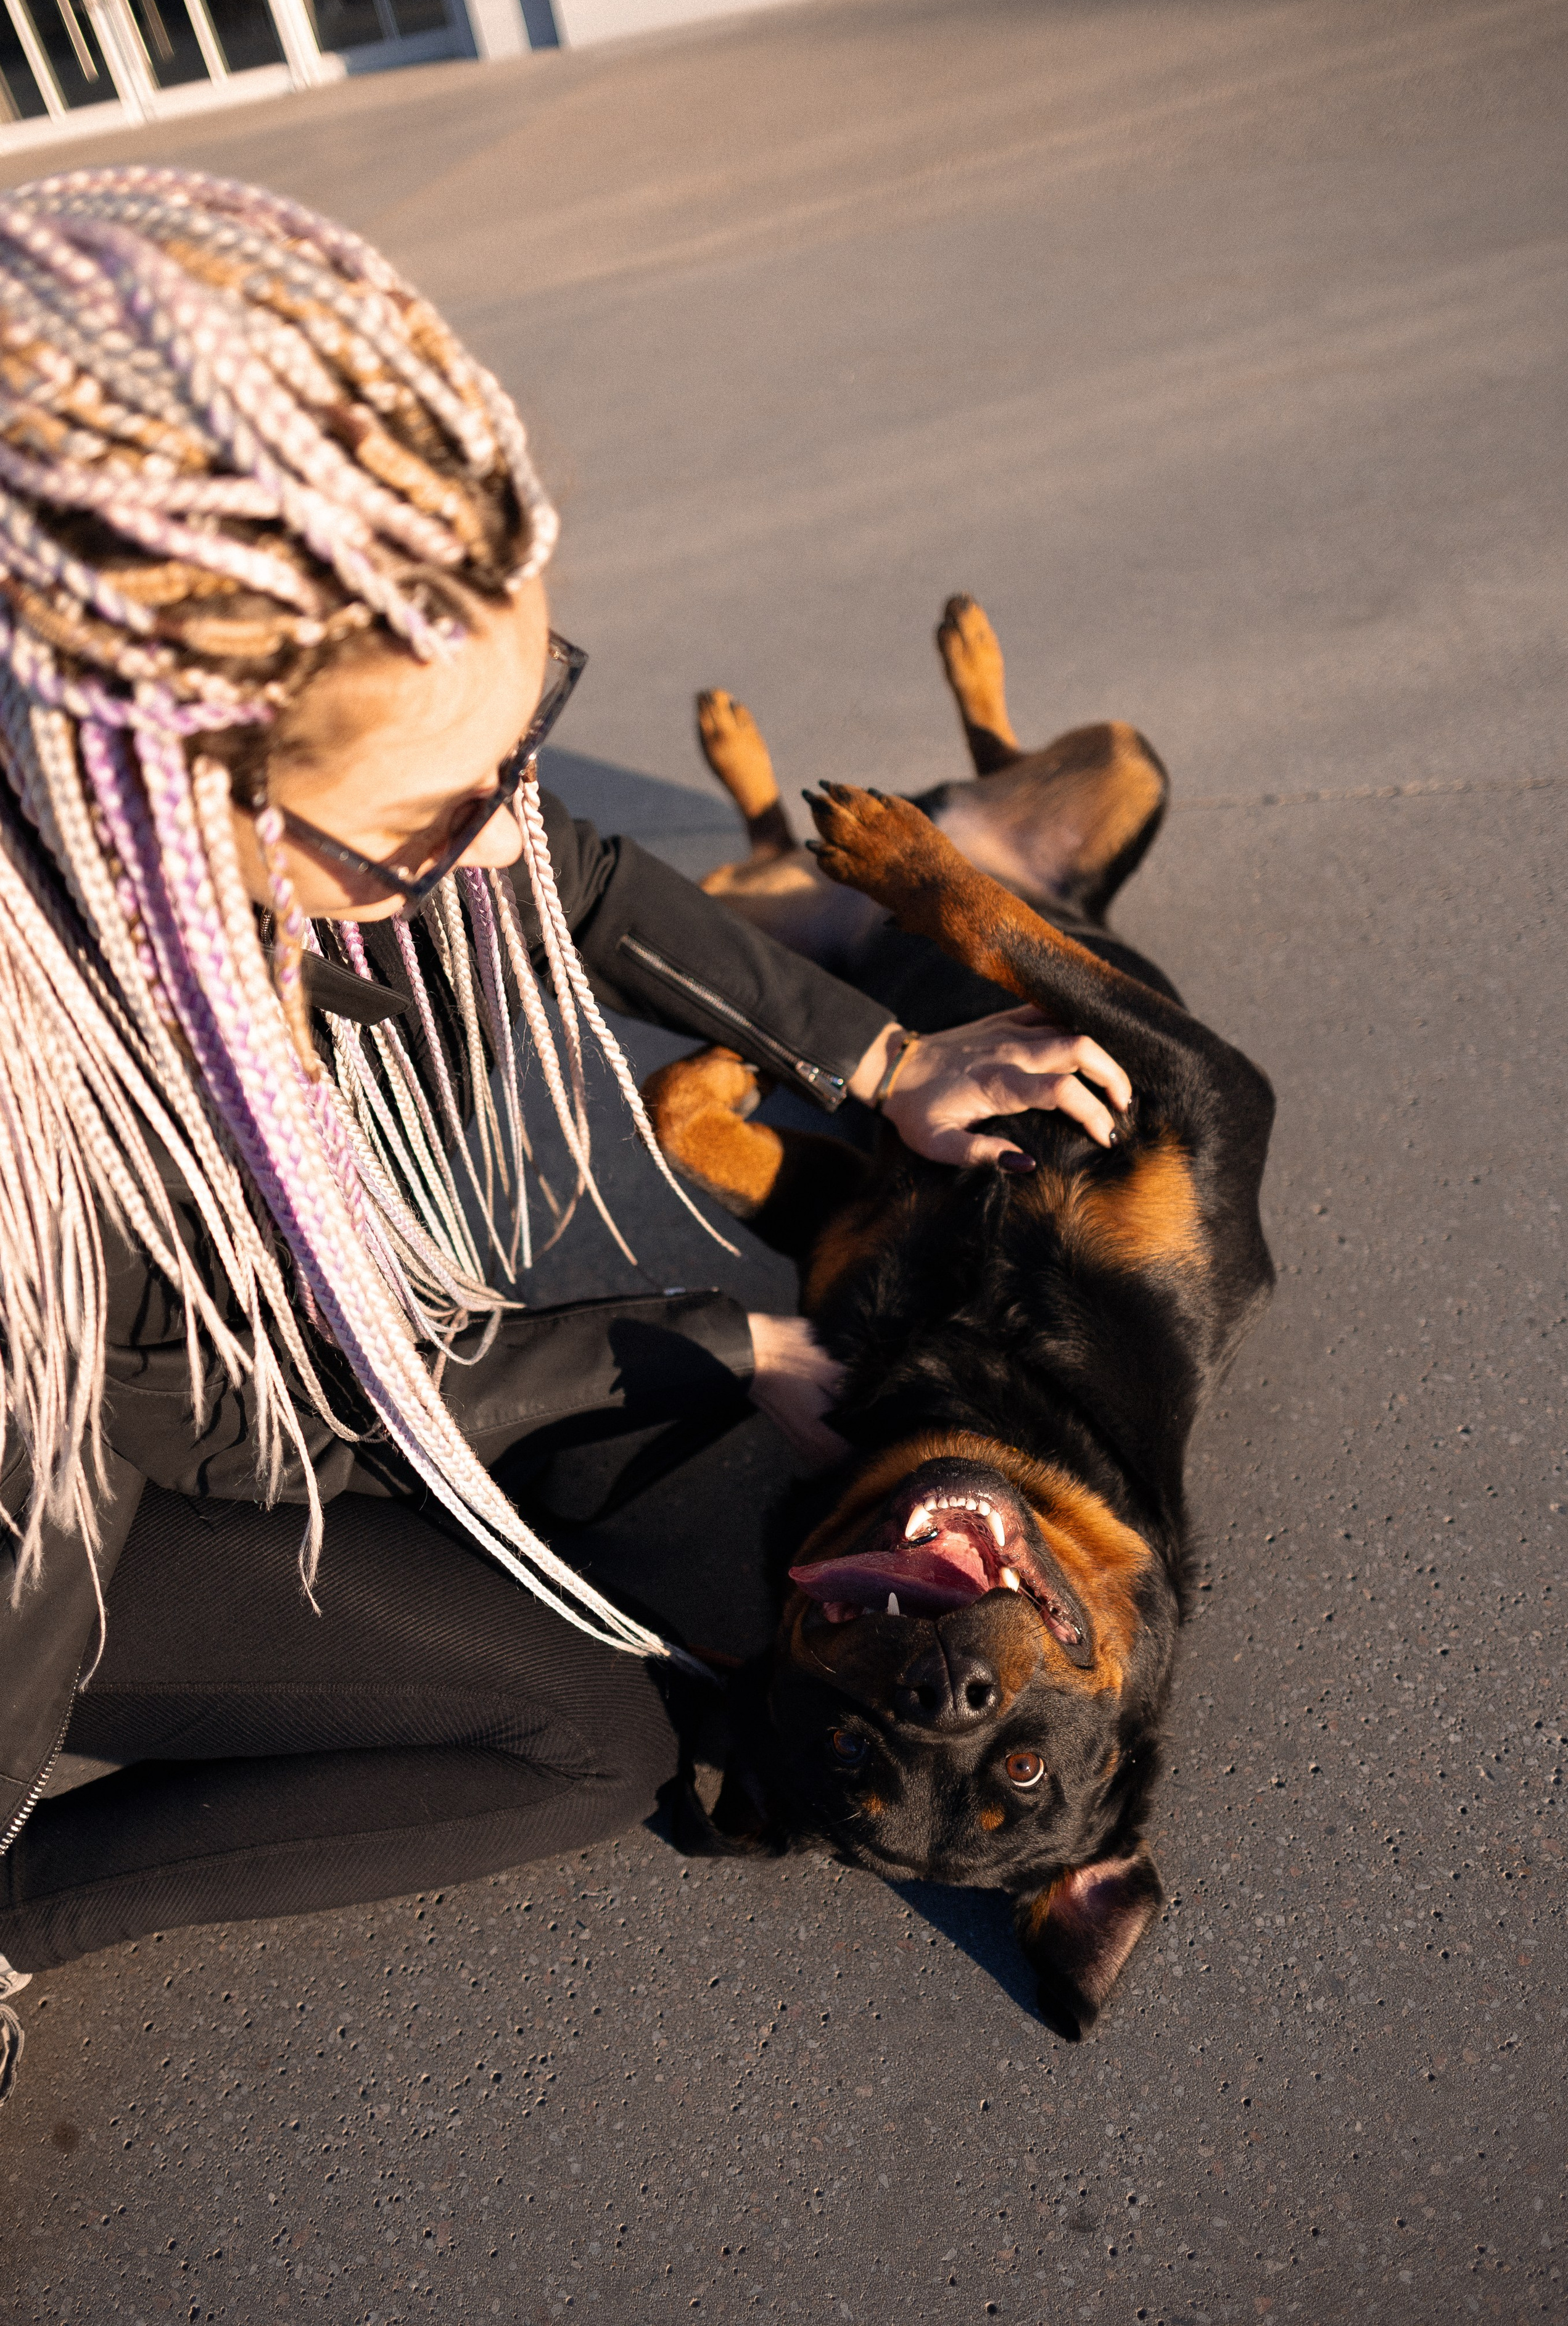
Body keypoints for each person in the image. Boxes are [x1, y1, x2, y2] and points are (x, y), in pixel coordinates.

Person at [0, 168, 1126, 2104]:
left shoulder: (255, 827)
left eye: (531, 731)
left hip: (145, 1429)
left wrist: (878, 1067)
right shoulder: (41, 1105)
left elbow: (576, 875)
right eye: (452, 805)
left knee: (596, 1732)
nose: (507, 830)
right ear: (167, 796)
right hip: (39, 1533)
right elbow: (207, 1411)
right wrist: (706, 1339)